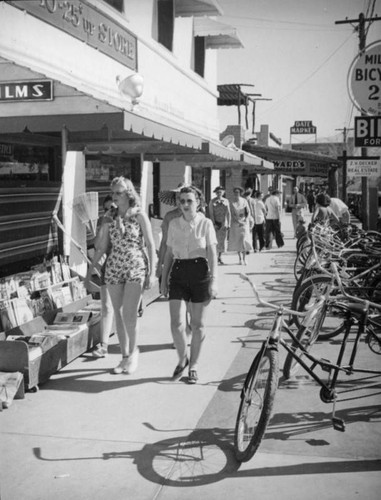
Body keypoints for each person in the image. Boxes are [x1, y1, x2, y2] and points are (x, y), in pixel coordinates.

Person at [85, 177, 156, 374]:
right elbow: (102, 247)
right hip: (114, 266)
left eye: (119, 192)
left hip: (135, 266)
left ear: (129, 193)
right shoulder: (110, 216)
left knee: (129, 314)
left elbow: (150, 244)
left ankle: (134, 352)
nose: (115, 196)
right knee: (118, 313)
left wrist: (152, 273)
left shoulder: (139, 215)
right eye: (114, 192)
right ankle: (124, 357)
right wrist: (90, 271)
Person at [160, 185, 218, 384]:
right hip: (178, 272)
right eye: (182, 201)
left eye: (189, 201)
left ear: (198, 203)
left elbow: (212, 254)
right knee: (177, 324)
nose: (185, 204)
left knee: (198, 325)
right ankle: (183, 357)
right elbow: (168, 253)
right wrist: (163, 278)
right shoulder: (174, 224)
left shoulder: (206, 223)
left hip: (200, 272)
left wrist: (214, 281)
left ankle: (193, 365)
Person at [90, 194, 116, 358]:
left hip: (126, 268)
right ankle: (104, 345)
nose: (110, 211)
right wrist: (104, 224)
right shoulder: (104, 222)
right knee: (106, 306)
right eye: (106, 209)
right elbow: (98, 245)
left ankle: (128, 349)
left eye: (113, 208)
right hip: (109, 266)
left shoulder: (130, 220)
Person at [228, 186, 252, 265]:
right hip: (236, 223)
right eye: (235, 192)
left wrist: (246, 220)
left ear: (240, 193)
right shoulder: (231, 202)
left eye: (238, 192)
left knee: (244, 241)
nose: (236, 194)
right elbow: (232, 214)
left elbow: (248, 212)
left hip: (244, 223)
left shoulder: (244, 201)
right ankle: (240, 258)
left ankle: (245, 258)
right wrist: (238, 221)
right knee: (238, 241)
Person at [208, 186, 231, 265]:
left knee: (222, 240)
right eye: (217, 192)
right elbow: (211, 213)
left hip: (224, 223)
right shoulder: (212, 201)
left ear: (223, 193)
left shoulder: (226, 201)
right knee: (215, 240)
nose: (219, 194)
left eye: (220, 192)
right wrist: (213, 224)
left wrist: (229, 223)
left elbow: (228, 213)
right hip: (216, 223)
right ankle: (215, 256)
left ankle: (220, 257)